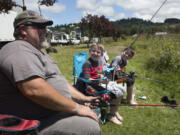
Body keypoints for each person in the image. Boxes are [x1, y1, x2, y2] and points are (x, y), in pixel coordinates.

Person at [0, 10, 101, 135]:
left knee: (91, 117)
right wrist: (77, 108)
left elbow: (60, 82)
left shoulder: (40, 53)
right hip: (33, 123)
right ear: (23, 29)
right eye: (40, 27)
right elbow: (34, 90)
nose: (46, 31)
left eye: (46, 27)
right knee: (89, 127)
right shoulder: (17, 49)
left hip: (53, 112)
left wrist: (84, 99)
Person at [76, 43, 123, 125]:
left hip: (99, 81)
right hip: (91, 85)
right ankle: (111, 115)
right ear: (90, 51)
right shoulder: (87, 63)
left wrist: (102, 76)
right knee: (116, 92)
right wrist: (100, 80)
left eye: (98, 52)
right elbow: (87, 79)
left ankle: (114, 111)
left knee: (121, 87)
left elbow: (99, 73)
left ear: (101, 54)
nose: (95, 53)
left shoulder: (99, 62)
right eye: (93, 51)